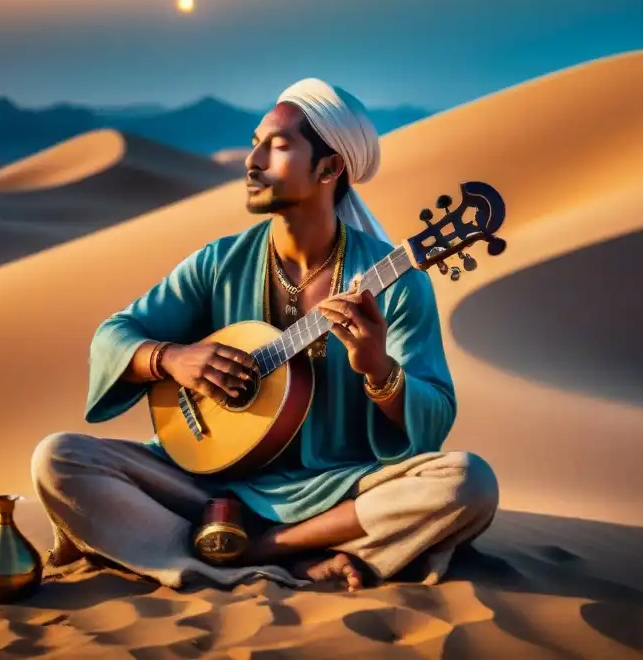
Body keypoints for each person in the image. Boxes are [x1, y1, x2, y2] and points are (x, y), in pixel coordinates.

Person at [31, 78, 499, 591]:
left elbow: (431, 426)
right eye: (255, 142)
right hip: (210, 485)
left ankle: (260, 550)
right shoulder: (218, 264)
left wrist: (378, 369)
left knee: (466, 483)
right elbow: (113, 336)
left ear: (329, 167)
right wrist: (172, 359)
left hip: (339, 490)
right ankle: (282, 548)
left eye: (276, 147)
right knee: (58, 458)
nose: (251, 161)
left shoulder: (397, 282)